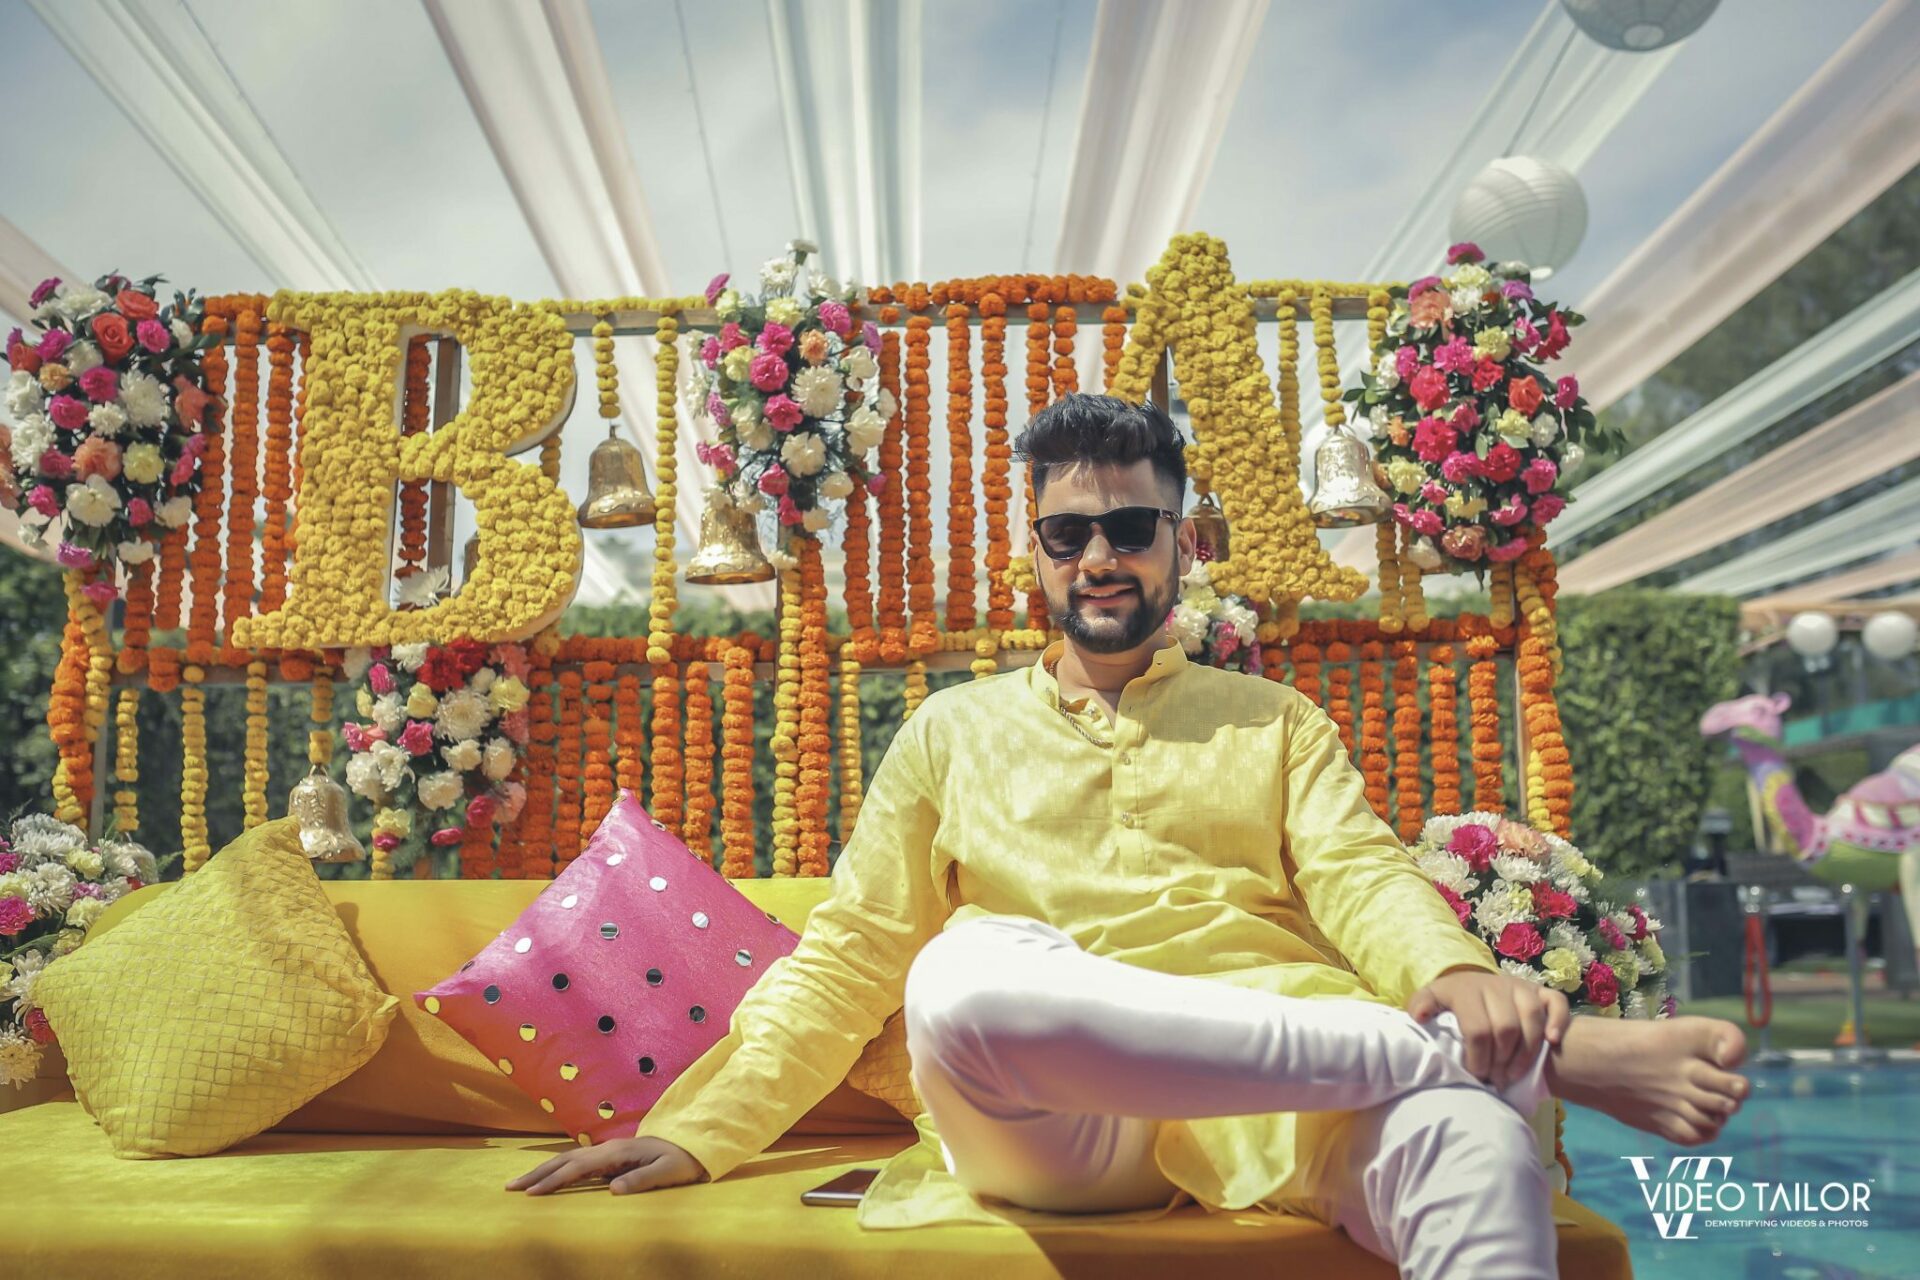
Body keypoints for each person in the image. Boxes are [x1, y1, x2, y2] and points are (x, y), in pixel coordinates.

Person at [508, 394, 1749, 1278]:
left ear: (1182, 543)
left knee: (1476, 1148)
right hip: (1059, 1121)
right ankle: (1535, 1055)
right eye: (1068, 534)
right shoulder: (949, 732)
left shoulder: (1275, 722)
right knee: (959, 978)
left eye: (1131, 528)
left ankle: (1479, 1076)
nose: (1099, 557)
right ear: (1036, 555)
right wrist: (696, 1126)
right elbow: (848, 956)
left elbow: (1363, 877)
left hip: (1295, 1109)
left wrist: (1461, 971)